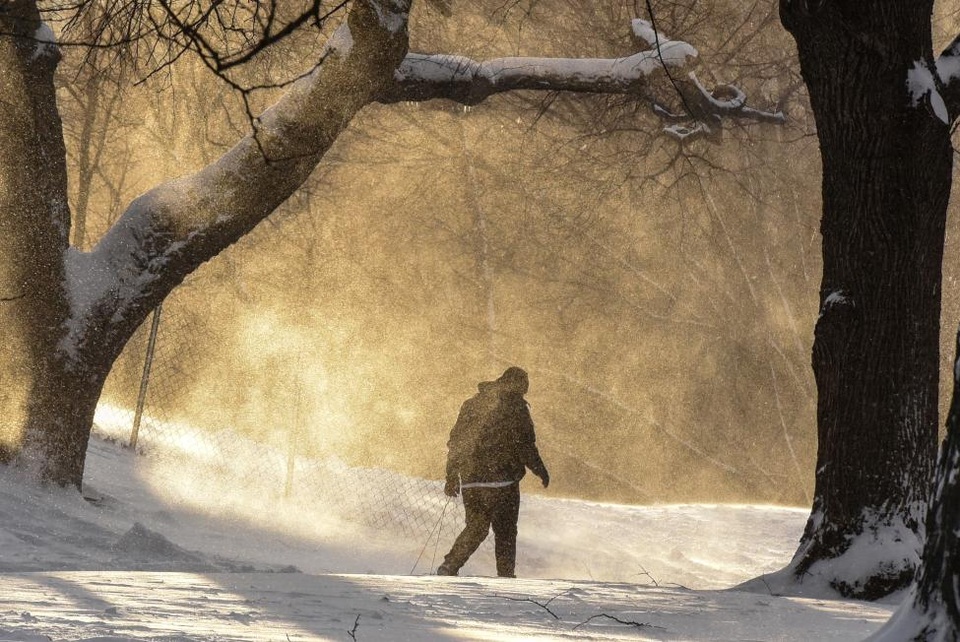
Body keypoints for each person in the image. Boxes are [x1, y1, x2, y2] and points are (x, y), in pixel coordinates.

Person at [437, 366, 549, 578]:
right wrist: (539, 469)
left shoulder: (472, 404)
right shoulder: (516, 406)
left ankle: (449, 566)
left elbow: (457, 442)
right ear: (519, 385)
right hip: (503, 483)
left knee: (476, 529)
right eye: (524, 386)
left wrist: (452, 475)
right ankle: (505, 577)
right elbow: (525, 444)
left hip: (472, 481)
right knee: (505, 531)